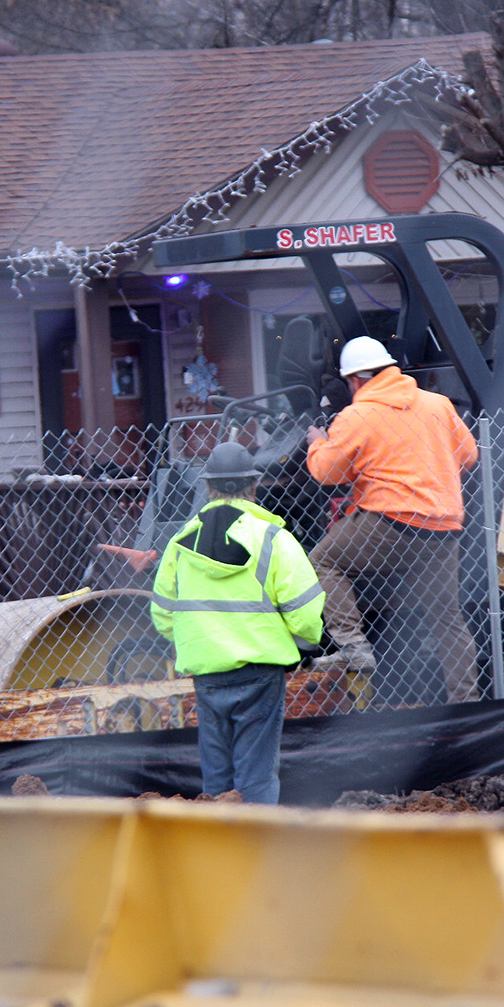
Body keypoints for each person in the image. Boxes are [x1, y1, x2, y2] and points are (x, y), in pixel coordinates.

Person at [304, 336, 480, 702]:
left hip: (388, 523)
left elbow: (326, 472)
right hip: (442, 528)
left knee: (323, 560)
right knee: (446, 616)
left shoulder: (357, 415)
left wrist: (317, 442)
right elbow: (468, 456)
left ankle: (353, 644)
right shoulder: (437, 405)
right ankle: (466, 702)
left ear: (354, 381)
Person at [150, 441, 323, 804]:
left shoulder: (180, 542)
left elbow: (163, 616)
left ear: (208, 486)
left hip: (208, 674)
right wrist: (305, 640)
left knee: (217, 774)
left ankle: (219, 849)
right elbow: (306, 614)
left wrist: (201, 639)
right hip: (259, 673)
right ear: (254, 485)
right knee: (255, 773)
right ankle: (255, 849)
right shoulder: (274, 539)